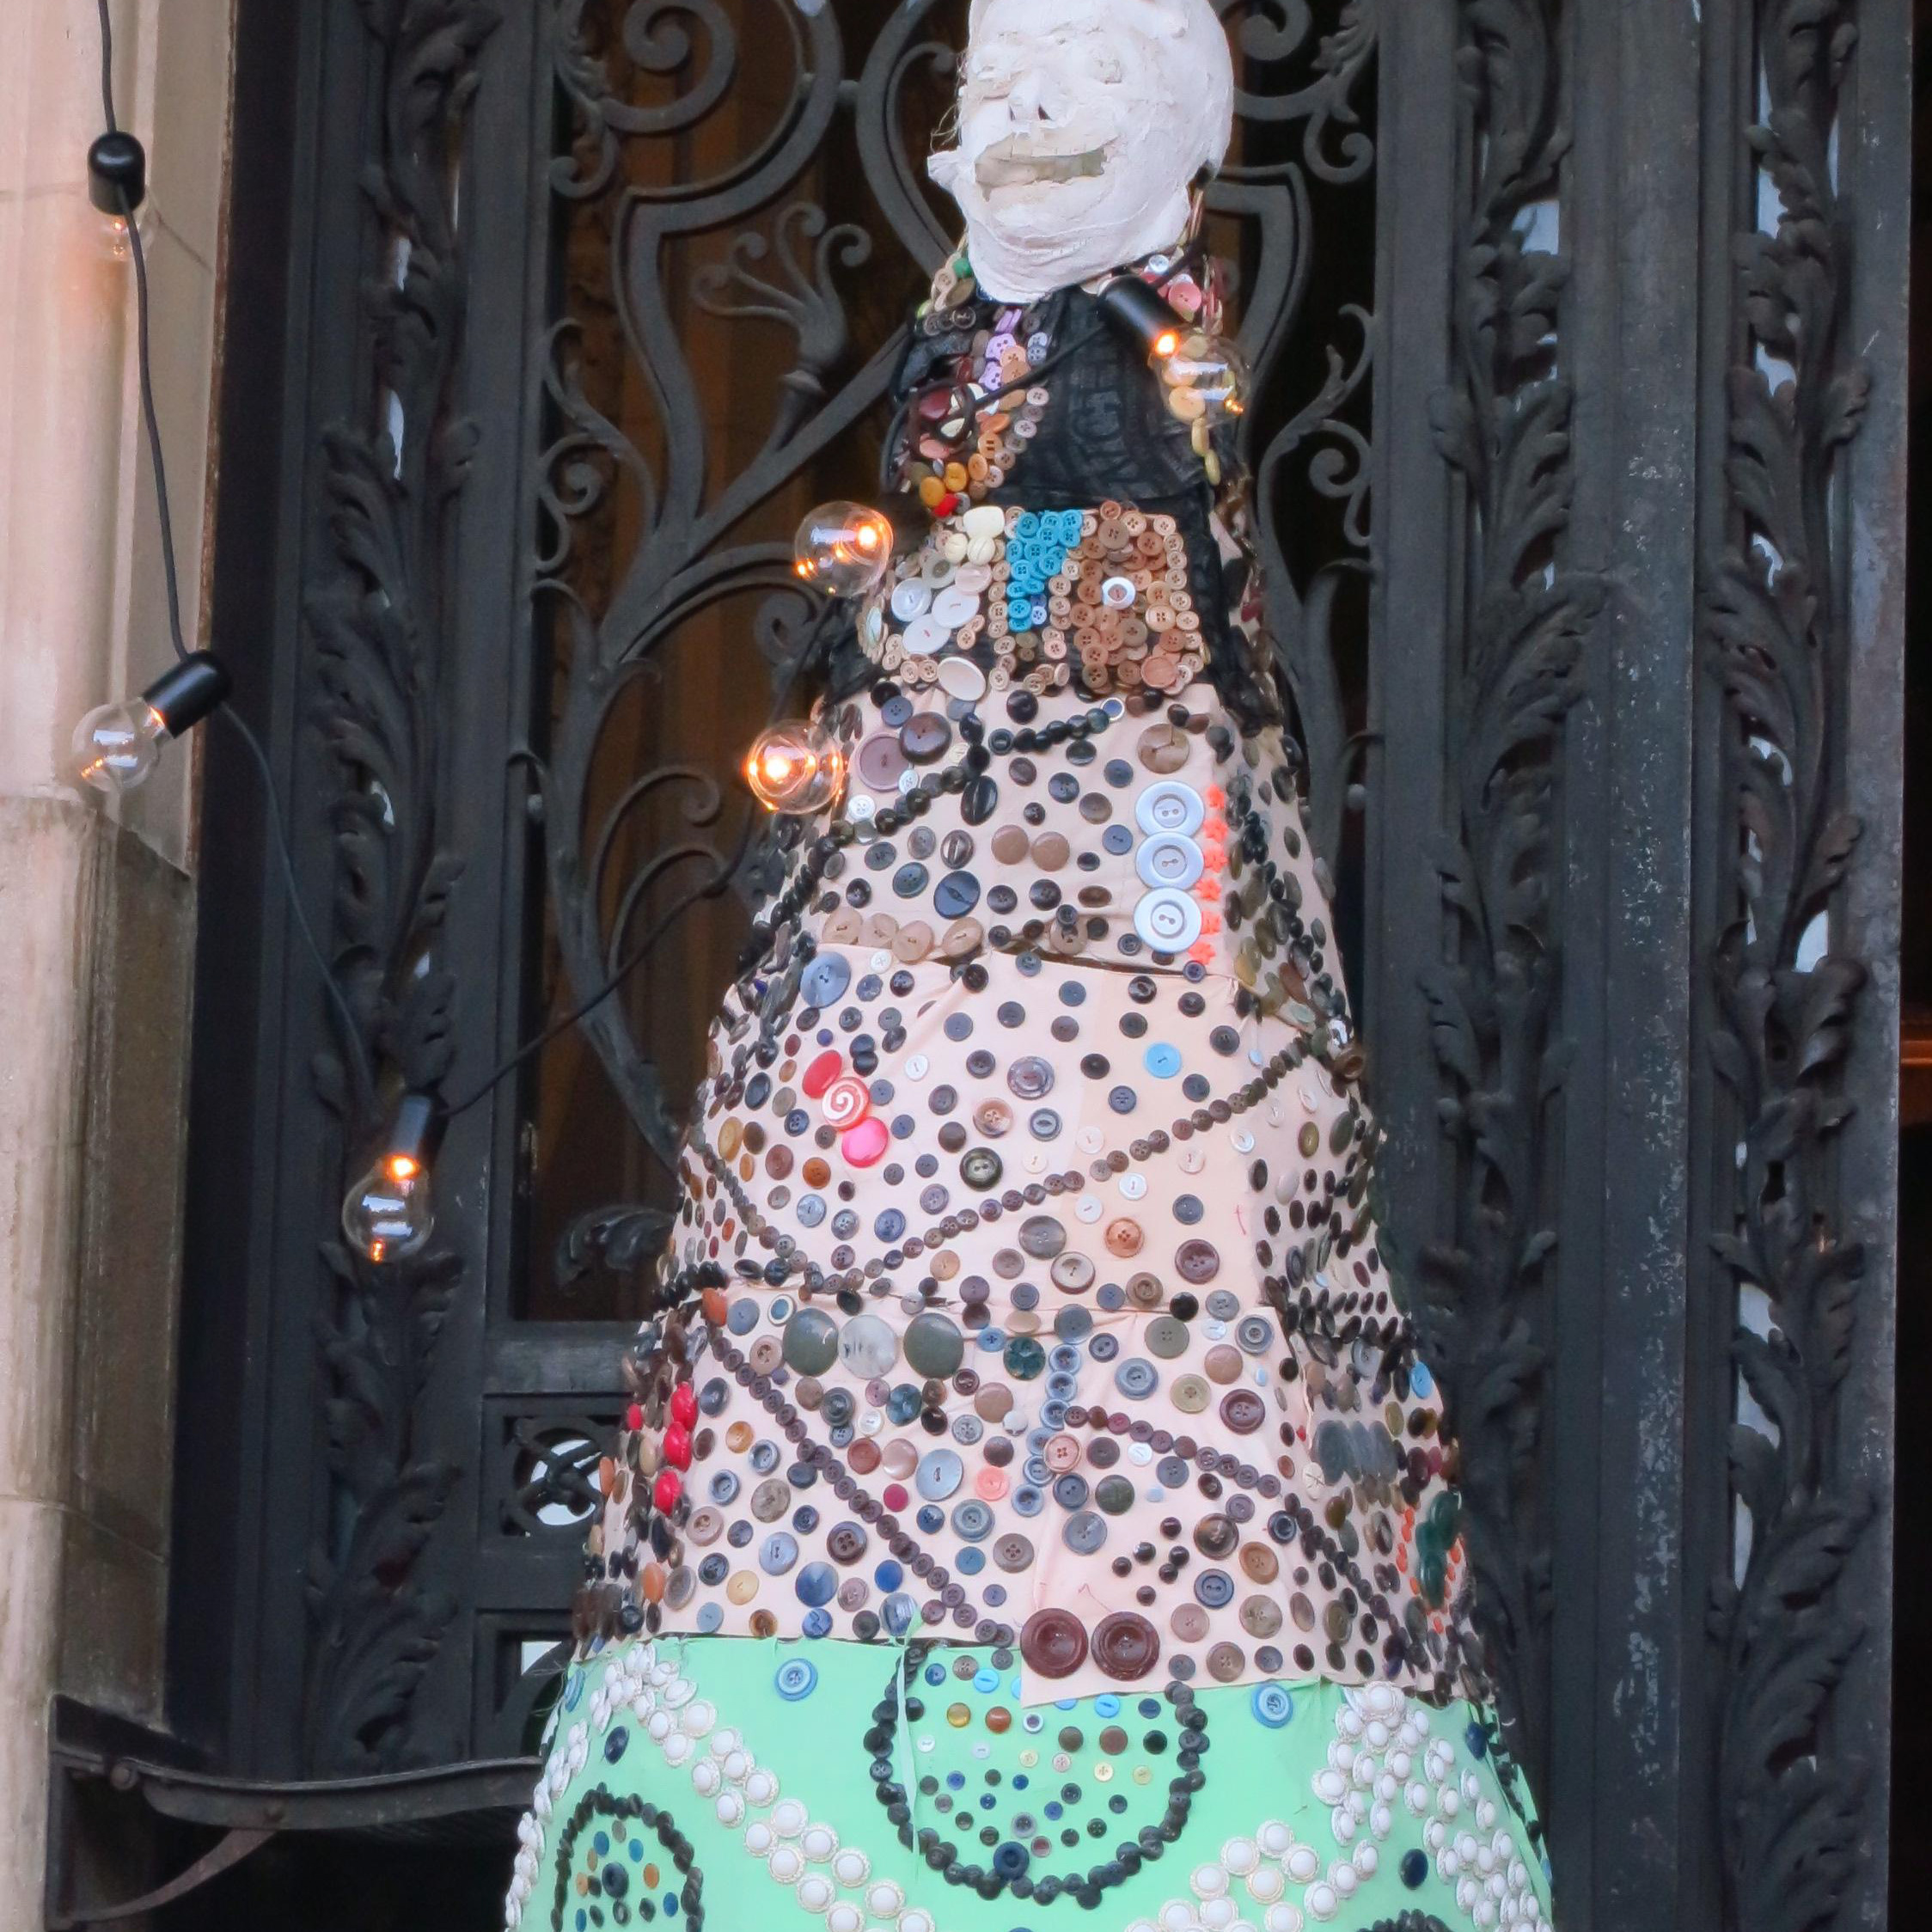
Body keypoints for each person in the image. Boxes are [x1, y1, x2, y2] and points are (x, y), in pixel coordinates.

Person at [505, 5, 1553, 1929]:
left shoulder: (1153, 350)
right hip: (922, 820)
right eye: (995, 95)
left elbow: (1159, 556)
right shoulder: (954, 346)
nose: (1026, 124)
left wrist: (970, 616)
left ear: (1182, 139)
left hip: (1120, 807)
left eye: (1076, 88)